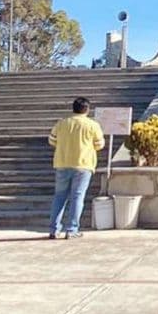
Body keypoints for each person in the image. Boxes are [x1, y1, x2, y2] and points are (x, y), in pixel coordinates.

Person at [47, 97, 105, 239]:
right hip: (83, 164)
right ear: (87, 109)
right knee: (77, 197)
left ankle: (54, 229)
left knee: (59, 197)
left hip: (62, 163)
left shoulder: (62, 123)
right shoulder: (92, 125)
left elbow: (52, 140)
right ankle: (72, 229)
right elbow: (99, 144)